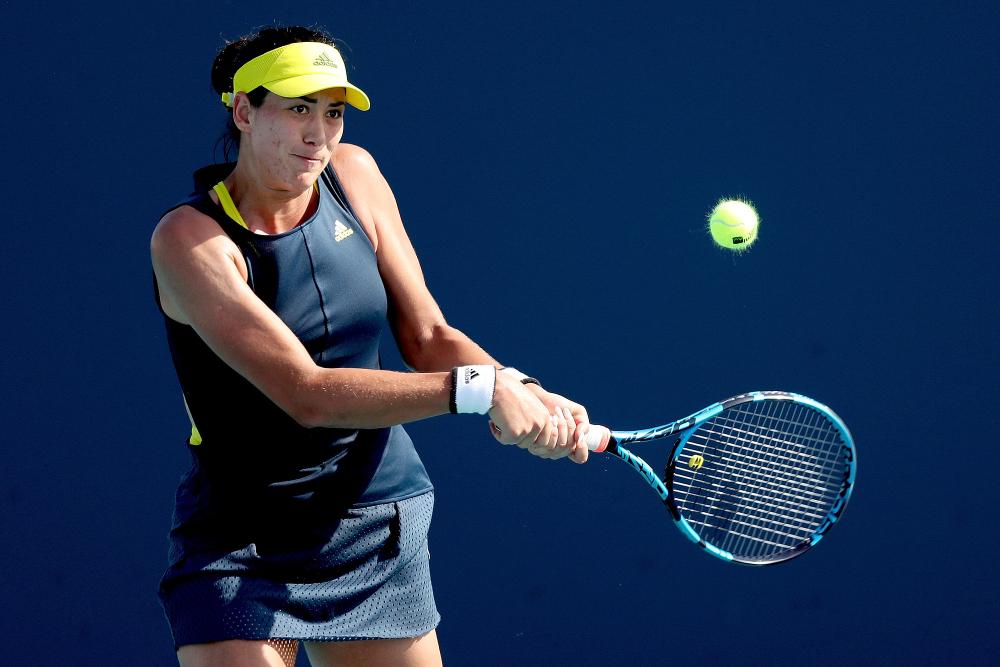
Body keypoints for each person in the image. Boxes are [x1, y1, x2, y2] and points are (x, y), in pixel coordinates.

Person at [151, 25, 594, 667]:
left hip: (372, 513)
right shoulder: (189, 241)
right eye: (299, 109)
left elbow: (428, 336)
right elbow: (305, 394)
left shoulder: (353, 173)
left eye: (333, 113)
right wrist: (479, 390)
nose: (319, 134)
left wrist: (523, 389)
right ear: (244, 111)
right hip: (240, 535)